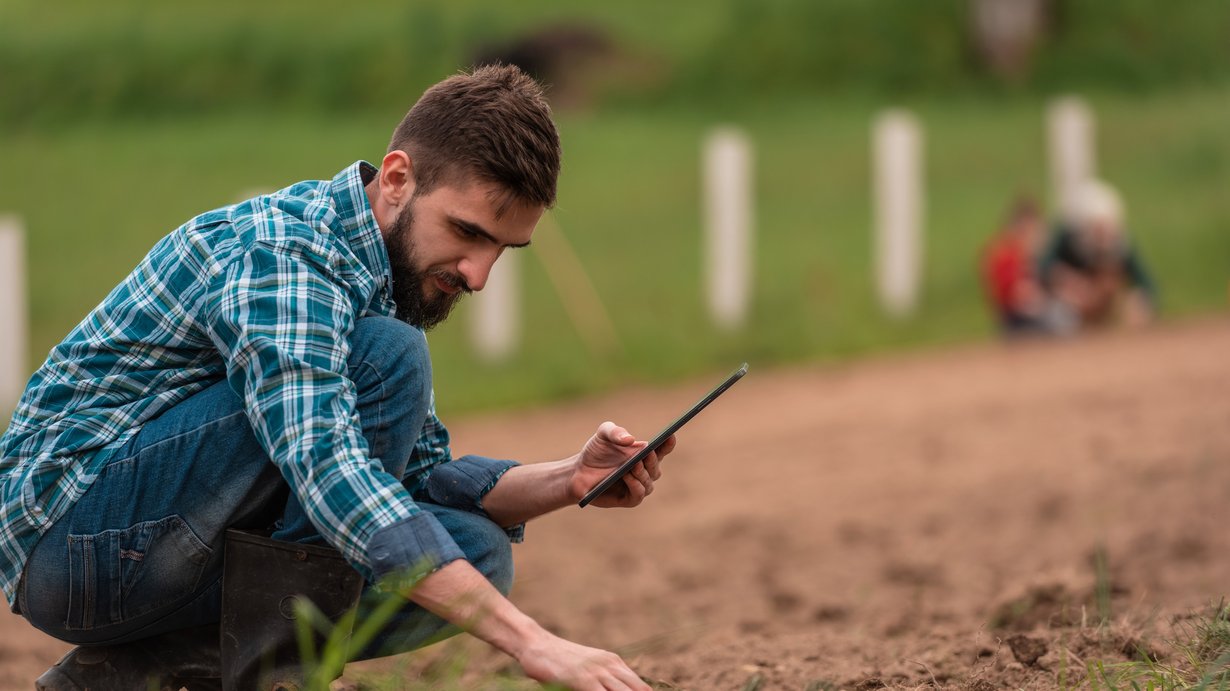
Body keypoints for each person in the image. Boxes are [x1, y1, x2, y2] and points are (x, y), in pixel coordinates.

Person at [0, 65, 672, 691]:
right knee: (387, 360)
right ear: (398, 177)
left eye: (501, 249)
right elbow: (329, 469)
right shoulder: (287, 254)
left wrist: (568, 479)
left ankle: (134, 670)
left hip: (154, 547)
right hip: (74, 544)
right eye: (466, 232)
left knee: (477, 552)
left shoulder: (379, 278)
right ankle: (271, 675)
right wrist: (532, 643)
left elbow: (413, 481)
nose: (478, 274)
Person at [1039, 179, 1157, 330]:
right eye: (1097, 229)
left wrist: (1140, 302)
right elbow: (1042, 268)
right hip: (1069, 309)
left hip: (1105, 312)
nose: (1102, 235)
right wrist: (1066, 279)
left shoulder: (1120, 244)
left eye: (1105, 228)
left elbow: (1147, 283)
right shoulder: (1067, 237)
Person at [980, 195, 1076, 337]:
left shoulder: (1027, 253)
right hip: (1015, 319)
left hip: (1029, 311)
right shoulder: (1006, 254)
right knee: (1060, 318)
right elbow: (1018, 295)